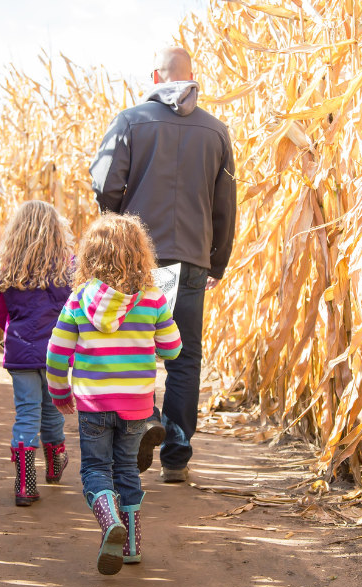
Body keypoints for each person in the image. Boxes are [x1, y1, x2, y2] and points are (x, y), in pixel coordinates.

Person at [89, 46, 236, 484]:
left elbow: (105, 185)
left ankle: (143, 424)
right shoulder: (216, 132)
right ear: (192, 77)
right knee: (185, 357)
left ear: (155, 75)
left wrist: (118, 231)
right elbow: (225, 205)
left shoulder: (131, 121)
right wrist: (217, 262)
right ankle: (176, 456)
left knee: (135, 347)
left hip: (138, 261)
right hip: (192, 259)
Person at [45, 214, 181, 575]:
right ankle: (132, 546)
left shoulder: (78, 300)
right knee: (127, 471)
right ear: (141, 254)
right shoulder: (153, 300)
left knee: (94, 470)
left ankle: (109, 524)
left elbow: (56, 354)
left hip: (93, 404)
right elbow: (172, 349)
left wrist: (59, 392)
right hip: (136, 405)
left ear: (90, 255)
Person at [0, 201, 74, 507]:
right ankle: (54, 464)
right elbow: (76, 309)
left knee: (27, 412)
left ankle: (25, 484)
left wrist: (11, 329)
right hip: (56, 354)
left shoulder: (7, 267)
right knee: (52, 411)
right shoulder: (69, 267)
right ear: (56, 230)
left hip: (20, 352)